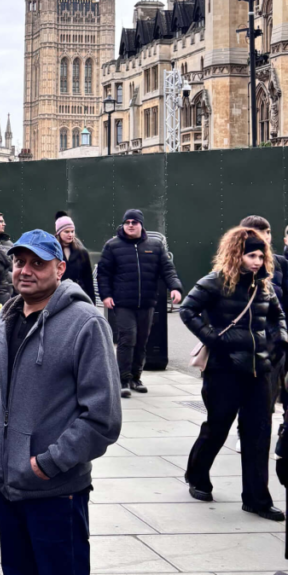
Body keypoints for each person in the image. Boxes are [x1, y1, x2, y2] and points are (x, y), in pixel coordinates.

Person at [0, 230, 122, 575]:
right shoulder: (7, 317)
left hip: (54, 492)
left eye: (37, 263)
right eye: (19, 262)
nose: (25, 270)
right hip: (6, 486)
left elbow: (103, 417)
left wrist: (49, 463)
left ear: (60, 269)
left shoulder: (86, 323)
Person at [180, 226, 287, 520]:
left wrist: (279, 342)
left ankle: (256, 499)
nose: (256, 261)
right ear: (236, 254)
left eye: (260, 255)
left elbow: (278, 316)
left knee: (258, 434)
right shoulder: (216, 282)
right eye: (251, 255)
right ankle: (197, 476)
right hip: (224, 371)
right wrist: (214, 338)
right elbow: (187, 310)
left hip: (259, 371)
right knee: (217, 427)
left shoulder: (263, 285)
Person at [96, 208, 183, 397]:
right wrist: (106, 295)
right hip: (123, 302)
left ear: (141, 225)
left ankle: (136, 377)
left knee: (142, 341)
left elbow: (167, 269)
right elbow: (103, 274)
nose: (130, 225)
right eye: (127, 222)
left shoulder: (155, 245)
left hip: (147, 302)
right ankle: (123, 380)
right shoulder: (112, 246)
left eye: (134, 222)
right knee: (128, 339)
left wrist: (175, 287)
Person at [54, 213, 95, 302]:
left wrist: (92, 302)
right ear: (59, 232)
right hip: (57, 297)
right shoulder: (52, 251)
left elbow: (88, 279)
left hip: (78, 296)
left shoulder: (82, 252)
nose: (70, 235)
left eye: (72, 231)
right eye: (67, 232)